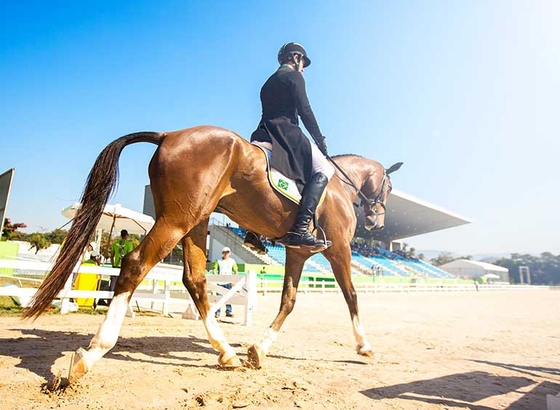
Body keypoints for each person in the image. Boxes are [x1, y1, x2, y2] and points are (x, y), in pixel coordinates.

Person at [249, 42, 335, 251]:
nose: (303, 68)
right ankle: (301, 229)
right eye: (303, 62)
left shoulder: (267, 82)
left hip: (262, 133)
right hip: (286, 134)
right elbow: (305, 110)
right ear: (295, 58)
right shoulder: (295, 77)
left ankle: (253, 231)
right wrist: (320, 140)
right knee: (325, 169)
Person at [212, 247, 238, 318]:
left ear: (229, 253)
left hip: (228, 282)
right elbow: (214, 270)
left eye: (227, 252)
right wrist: (216, 278)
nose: (226, 254)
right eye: (224, 252)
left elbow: (235, 271)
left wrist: (234, 280)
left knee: (228, 297)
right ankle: (217, 312)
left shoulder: (232, 261)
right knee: (218, 298)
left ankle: (228, 311)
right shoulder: (218, 261)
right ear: (222, 253)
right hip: (220, 282)